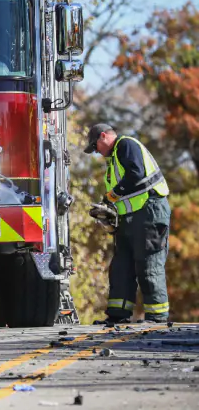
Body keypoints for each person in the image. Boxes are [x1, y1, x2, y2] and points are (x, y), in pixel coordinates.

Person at [84, 123, 171, 324]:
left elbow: (136, 174)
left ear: (104, 136)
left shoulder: (126, 145)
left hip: (149, 211)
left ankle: (157, 316)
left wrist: (113, 195)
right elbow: (123, 192)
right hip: (130, 218)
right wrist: (107, 209)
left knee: (149, 263)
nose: (97, 152)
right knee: (121, 267)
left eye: (96, 147)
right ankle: (117, 315)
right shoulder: (114, 159)